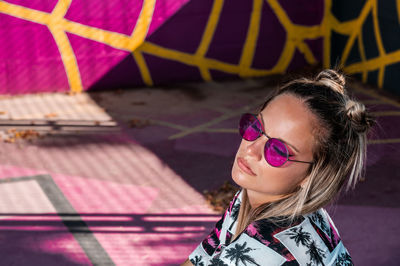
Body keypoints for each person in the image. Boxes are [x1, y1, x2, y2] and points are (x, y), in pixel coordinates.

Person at [181, 69, 375, 266]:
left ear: (313, 175)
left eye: (278, 151)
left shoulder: (266, 251)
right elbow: (200, 259)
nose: (251, 150)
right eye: (256, 127)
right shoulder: (253, 200)